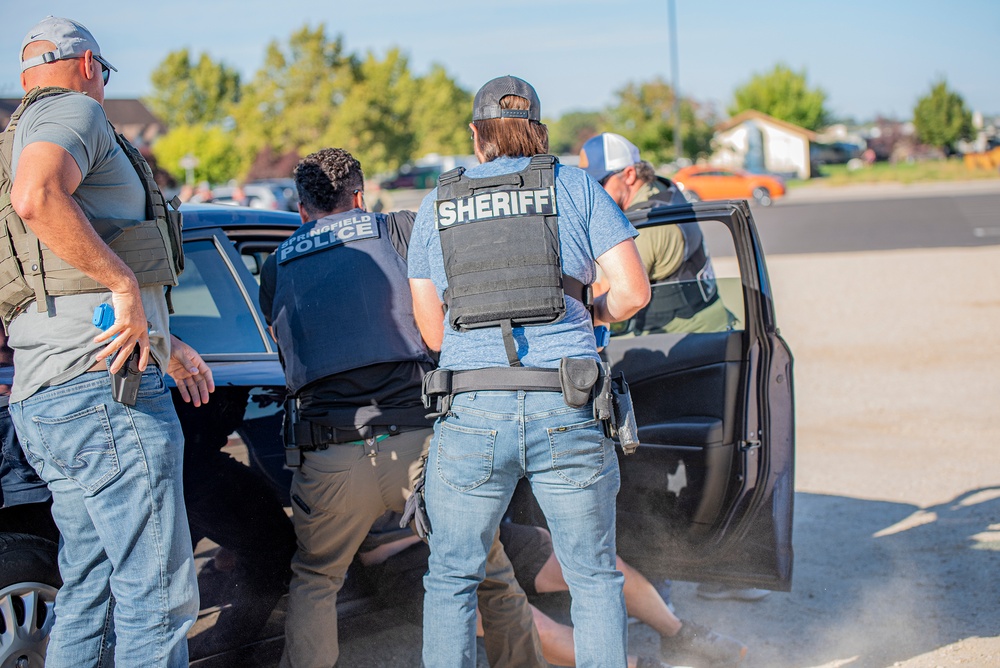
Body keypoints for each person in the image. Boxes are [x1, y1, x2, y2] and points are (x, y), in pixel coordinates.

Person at [258, 147, 545, 668]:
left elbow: (284, 344)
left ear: (300, 209)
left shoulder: (279, 263)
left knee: (316, 582)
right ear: (361, 195)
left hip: (331, 454)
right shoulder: (399, 230)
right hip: (423, 443)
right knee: (489, 573)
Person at [408, 75, 651, 667]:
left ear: (475, 134)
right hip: (565, 402)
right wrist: (590, 311)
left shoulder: (435, 204)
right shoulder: (574, 187)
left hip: (471, 411)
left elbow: (435, 333)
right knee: (592, 578)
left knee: (452, 581)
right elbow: (634, 292)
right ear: (537, 129)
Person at [8, 16, 197, 666]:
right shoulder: (75, 112)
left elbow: (42, 277)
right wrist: (122, 284)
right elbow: (39, 196)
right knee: (158, 597)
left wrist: (166, 342)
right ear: (89, 64)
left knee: (88, 592)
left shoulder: (12, 139)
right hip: (104, 394)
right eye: (106, 75)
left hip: (44, 400)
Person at [360, 513, 748, 667]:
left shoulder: (431, 365)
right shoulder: (335, 400)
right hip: (403, 557)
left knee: (598, 566)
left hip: (476, 529)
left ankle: (679, 634)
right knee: (525, 624)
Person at [580, 132, 736, 334]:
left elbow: (614, 294)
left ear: (629, 175)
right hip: (709, 323)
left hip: (687, 339)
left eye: (598, 184)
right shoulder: (662, 189)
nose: (592, 194)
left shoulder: (645, 226)